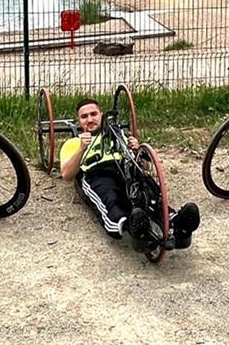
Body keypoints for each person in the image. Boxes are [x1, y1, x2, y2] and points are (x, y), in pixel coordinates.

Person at [58, 98, 201, 250]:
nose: (90, 119)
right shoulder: (72, 143)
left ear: (102, 115)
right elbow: (67, 175)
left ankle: (176, 220)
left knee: (147, 186)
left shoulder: (119, 135)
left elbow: (145, 167)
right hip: (97, 173)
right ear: (79, 121)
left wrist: (137, 151)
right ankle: (131, 226)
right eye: (84, 117)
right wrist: (81, 148)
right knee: (109, 197)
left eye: (93, 114)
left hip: (125, 167)